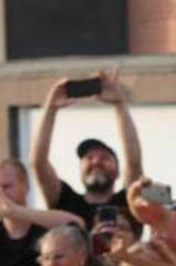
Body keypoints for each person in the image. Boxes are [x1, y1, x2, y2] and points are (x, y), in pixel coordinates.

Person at [29, 70, 143, 228]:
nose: (96, 161)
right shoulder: (65, 201)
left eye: (105, 158)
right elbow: (38, 163)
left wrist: (120, 104)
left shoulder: (128, 202)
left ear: (118, 172)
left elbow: (134, 162)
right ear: (79, 169)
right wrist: (50, 108)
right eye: (89, 158)